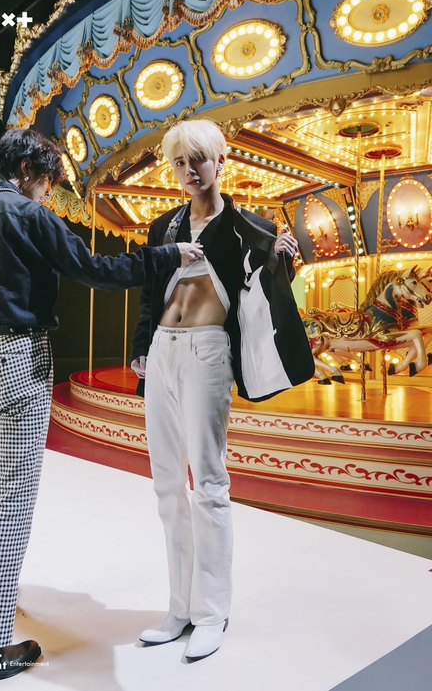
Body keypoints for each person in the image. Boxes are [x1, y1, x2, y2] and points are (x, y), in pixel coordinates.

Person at [0, 128, 202, 690]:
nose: (47, 193)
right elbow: (93, 270)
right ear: (27, 170)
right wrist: (166, 256)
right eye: (47, 182)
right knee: (13, 499)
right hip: (15, 355)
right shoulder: (26, 214)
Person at [130, 118, 314, 661]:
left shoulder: (247, 226)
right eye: (179, 163)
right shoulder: (163, 225)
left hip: (208, 352)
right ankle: (179, 608)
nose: (189, 171)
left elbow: (269, 290)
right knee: (167, 486)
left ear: (219, 161)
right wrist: (140, 346)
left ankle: (212, 611)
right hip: (161, 351)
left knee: (208, 483)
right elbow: (149, 293)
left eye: (198, 160)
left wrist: (281, 256)